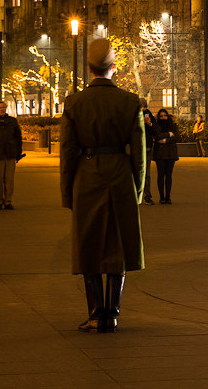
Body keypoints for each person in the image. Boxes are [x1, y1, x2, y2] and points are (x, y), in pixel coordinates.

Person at [60, 38, 146, 333]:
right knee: (118, 242)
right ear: (114, 67)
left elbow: (68, 152)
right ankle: (113, 313)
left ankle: (96, 313)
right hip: (120, 176)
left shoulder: (74, 103)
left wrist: (67, 191)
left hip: (86, 176)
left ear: (89, 68)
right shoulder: (130, 101)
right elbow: (139, 152)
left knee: (89, 243)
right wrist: (138, 188)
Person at [151, 107, 179, 204]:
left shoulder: (173, 125)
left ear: (167, 116)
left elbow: (176, 137)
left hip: (171, 154)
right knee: (160, 175)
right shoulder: (156, 125)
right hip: (160, 154)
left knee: (168, 176)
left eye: (165, 115)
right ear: (159, 117)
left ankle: (168, 197)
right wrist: (168, 134)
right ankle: (161, 197)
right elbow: (157, 136)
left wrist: (165, 140)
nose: (163, 117)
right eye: (161, 116)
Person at [141, 105, 156, 204]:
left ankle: (147, 196)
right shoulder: (133, 115)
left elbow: (155, 131)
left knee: (146, 174)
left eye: (144, 106)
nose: (143, 108)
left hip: (147, 148)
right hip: (137, 148)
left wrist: (149, 123)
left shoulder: (150, 116)